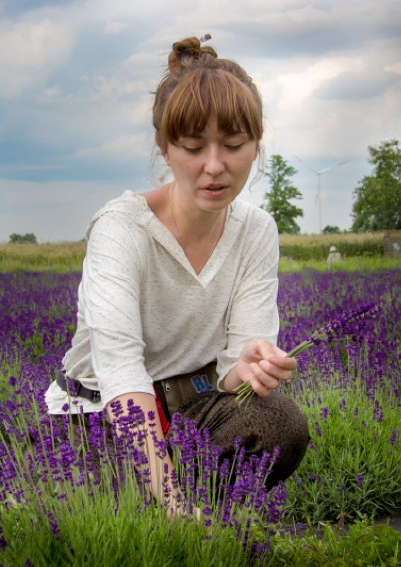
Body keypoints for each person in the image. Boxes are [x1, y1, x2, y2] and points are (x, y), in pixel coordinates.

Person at [45, 35, 309, 517]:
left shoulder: (256, 230)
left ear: (255, 145)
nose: (215, 167)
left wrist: (246, 367)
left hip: (194, 407)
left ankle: (203, 517)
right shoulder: (121, 229)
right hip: (104, 412)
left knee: (279, 424)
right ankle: (170, 511)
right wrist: (171, 502)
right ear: (164, 148)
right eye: (192, 147)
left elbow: (232, 370)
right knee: (111, 511)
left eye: (233, 145)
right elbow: (122, 371)